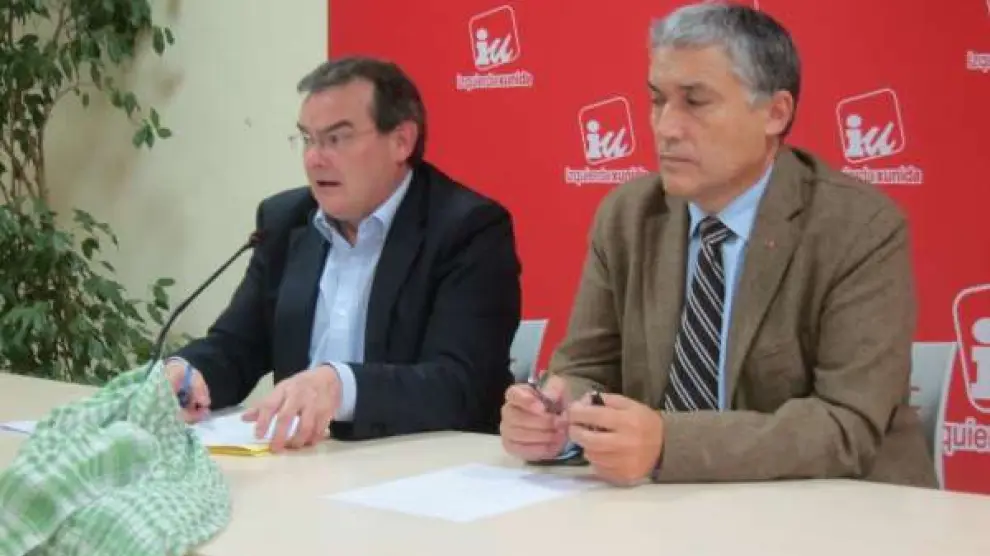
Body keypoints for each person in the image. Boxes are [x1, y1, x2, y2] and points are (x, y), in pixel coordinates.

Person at [499, 1, 937, 488]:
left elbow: (845, 424)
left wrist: (670, 444)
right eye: (657, 100)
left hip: (838, 506)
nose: (666, 127)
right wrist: (558, 417)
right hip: (665, 507)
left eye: (696, 101)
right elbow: (586, 367)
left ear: (775, 113)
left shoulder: (859, 227)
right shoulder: (628, 216)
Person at [164, 56, 522, 452]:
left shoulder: (468, 229)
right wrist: (189, 372)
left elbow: (460, 385)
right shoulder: (285, 221)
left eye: (336, 139)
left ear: (401, 141)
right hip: (305, 462)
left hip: (420, 467)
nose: (314, 158)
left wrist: (341, 387)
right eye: (307, 139)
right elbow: (238, 345)